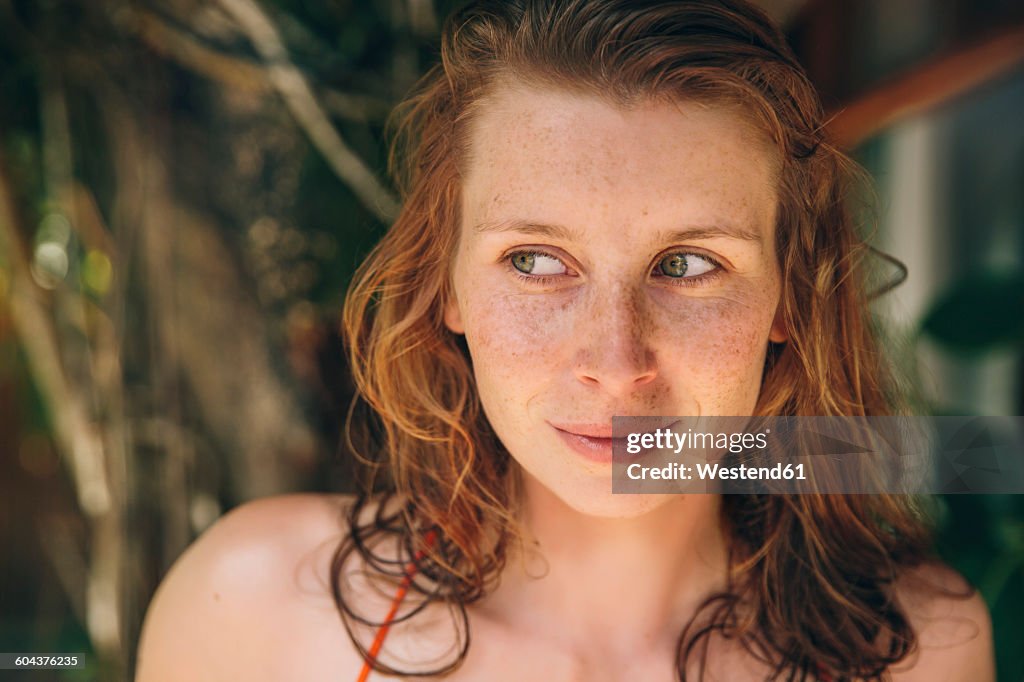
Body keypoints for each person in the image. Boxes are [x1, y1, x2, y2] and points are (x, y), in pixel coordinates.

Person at [134, 1, 996, 680]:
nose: (616, 365)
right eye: (537, 260)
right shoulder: (253, 610)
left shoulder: (917, 651)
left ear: (786, 295)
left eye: (689, 263)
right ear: (448, 286)